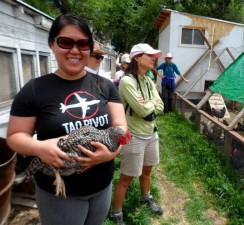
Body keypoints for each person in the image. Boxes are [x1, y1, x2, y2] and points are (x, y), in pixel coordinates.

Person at [6, 13, 127, 225]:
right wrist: (40, 148)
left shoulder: (105, 86)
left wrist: (108, 155)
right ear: (52, 44)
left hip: (101, 188)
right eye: (65, 42)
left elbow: (120, 128)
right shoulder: (34, 90)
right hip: (58, 193)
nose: (74, 50)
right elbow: (15, 137)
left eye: (82, 44)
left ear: (89, 48)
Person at [110, 43, 164, 225]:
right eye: (149, 55)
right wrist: (151, 104)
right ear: (137, 58)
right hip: (134, 136)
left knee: (147, 169)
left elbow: (161, 106)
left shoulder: (149, 80)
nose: (154, 58)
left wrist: (149, 103)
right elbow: (142, 111)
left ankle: (145, 197)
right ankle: (116, 212)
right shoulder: (126, 82)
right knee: (127, 177)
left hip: (151, 133)